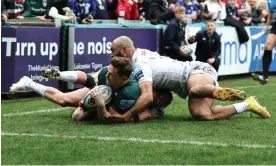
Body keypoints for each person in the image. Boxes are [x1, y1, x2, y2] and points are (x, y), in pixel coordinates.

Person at [108, 36, 271, 122]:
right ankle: (247, 104)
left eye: (113, 50)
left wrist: (127, 115)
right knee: (201, 114)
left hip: (197, 70)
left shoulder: (140, 64)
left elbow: (147, 96)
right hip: (192, 77)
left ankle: (219, 91)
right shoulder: (141, 54)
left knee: (194, 90)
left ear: (124, 50)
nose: (111, 55)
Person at [10, 57, 172, 123]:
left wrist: (97, 105)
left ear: (123, 78)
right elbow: (87, 79)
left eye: (111, 74)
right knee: (63, 100)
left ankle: (86, 105)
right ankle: (29, 82)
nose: (107, 74)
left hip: (109, 101)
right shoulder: (107, 75)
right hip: (107, 91)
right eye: (107, 71)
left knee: (78, 116)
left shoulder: (130, 93)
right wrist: (60, 75)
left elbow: (108, 119)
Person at [251, 0, 276, 85]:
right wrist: (266, 27)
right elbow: (271, 15)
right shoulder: (270, 1)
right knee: (267, 46)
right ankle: (265, 77)